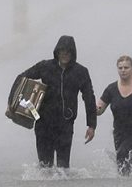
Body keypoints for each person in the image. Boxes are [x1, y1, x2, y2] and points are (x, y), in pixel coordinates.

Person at [7, 35, 97, 168]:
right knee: (44, 166)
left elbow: (89, 97)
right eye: (62, 52)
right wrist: (12, 103)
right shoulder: (45, 66)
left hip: (65, 124)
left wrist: (91, 125)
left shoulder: (81, 72)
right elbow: (21, 77)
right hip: (43, 122)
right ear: (57, 52)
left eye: (68, 52)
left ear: (73, 53)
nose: (64, 55)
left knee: (63, 167)